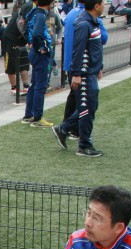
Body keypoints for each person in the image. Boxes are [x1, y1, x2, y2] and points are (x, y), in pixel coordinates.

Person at [52, 0, 106, 157]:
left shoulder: (92, 22)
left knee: (89, 107)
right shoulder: (83, 24)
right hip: (84, 74)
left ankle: (64, 129)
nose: (104, 6)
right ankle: (83, 145)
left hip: (90, 72)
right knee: (87, 109)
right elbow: (79, 50)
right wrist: (76, 74)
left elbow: (94, 49)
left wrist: (98, 68)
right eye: (102, 3)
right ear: (96, 6)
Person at [20, 0, 56, 127]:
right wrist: (43, 47)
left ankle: (29, 115)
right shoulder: (40, 15)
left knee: (34, 84)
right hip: (39, 53)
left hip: (34, 52)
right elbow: (36, 34)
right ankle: (37, 118)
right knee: (40, 86)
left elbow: (25, 29)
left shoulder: (33, 13)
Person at [1, 0, 32, 95]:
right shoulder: (28, 8)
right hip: (9, 39)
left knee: (24, 62)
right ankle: (14, 87)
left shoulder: (32, 6)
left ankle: (26, 86)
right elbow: (23, 26)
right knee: (11, 64)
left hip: (21, 40)